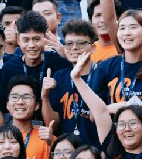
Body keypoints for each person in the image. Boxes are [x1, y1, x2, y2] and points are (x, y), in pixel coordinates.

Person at [40, 19, 101, 147]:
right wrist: (45, 96)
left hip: (96, 150)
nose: (74, 48)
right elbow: (53, 124)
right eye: (68, 44)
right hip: (67, 152)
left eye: (81, 43)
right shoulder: (59, 76)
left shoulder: (102, 75)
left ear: (93, 48)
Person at [0, 12, 71, 86]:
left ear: (45, 39)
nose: (31, 45)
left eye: (36, 39)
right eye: (26, 40)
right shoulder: (9, 68)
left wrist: (65, 53)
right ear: (18, 41)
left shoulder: (58, 62)